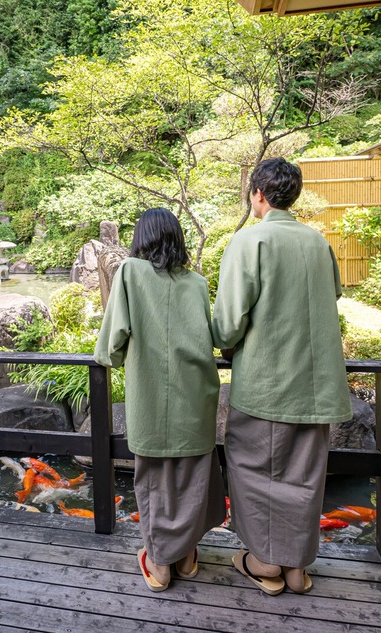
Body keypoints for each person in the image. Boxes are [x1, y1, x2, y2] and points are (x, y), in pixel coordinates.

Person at [212, 157, 350, 595]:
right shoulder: (318, 243)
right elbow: (332, 296)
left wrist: (220, 338)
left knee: (255, 472)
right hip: (317, 385)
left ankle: (266, 563)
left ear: (258, 194)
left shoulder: (249, 242)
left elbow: (229, 324)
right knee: (304, 478)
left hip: (267, 384)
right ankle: (296, 567)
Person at [94, 208, 226, 592]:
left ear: (141, 238)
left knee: (153, 475)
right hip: (196, 389)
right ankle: (186, 556)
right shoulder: (198, 283)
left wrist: (110, 358)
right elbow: (210, 334)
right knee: (193, 473)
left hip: (150, 391)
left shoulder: (130, 272)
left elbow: (113, 338)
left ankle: (160, 562)